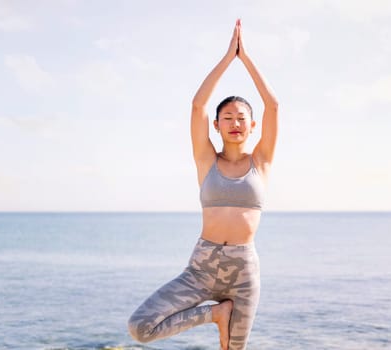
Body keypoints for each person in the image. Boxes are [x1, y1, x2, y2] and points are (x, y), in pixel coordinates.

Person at [127, 19, 278, 350]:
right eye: (228, 118)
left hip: (243, 273)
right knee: (140, 327)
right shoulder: (206, 160)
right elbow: (197, 105)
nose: (235, 123)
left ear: (252, 125)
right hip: (202, 267)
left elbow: (273, 105)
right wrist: (228, 58)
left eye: (242, 118)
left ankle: (222, 316)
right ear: (217, 125)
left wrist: (246, 58)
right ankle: (214, 315)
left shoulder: (261, 162)